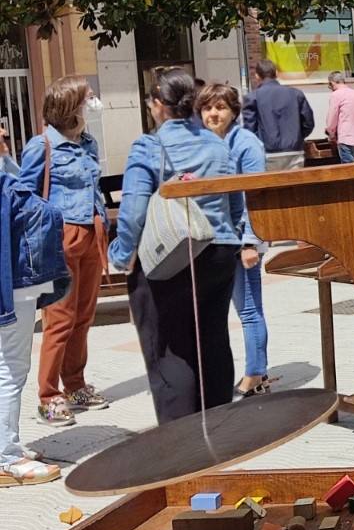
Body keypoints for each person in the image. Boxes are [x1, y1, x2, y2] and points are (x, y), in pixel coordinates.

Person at [109, 70, 246, 422]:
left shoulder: (150, 145)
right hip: (219, 252)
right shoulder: (218, 144)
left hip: (172, 255)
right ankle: (220, 427)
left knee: (170, 348)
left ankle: (181, 441)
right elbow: (235, 203)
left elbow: (134, 209)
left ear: (158, 105)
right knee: (213, 340)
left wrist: (122, 255)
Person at [17, 78, 109, 427]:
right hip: (60, 239)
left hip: (91, 234)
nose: (93, 103)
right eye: (88, 98)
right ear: (71, 106)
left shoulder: (87, 143)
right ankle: (48, 395)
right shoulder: (42, 146)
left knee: (83, 317)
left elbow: (93, 187)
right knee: (59, 320)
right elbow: (25, 197)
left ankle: (75, 384)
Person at [0, 124, 68, 485]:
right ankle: (7, 458)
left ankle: (6, 446)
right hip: (11, 287)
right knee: (10, 371)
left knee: (8, 370)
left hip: (13, 285)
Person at [196, 83, 271, 397]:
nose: (213, 114)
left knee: (249, 309)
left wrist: (250, 243)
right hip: (217, 241)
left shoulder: (246, 143)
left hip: (243, 240)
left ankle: (256, 374)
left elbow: (255, 194)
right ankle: (254, 372)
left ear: (234, 111)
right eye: (208, 108)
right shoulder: (208, 143)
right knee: (232, 310)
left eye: (220, 107)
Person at [242, 60, 314, 171]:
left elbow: (249, 129)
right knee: (295, 185)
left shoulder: (252, 97)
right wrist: (298, 136)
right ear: (276, 73)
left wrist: (260, 141)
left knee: (271, 187)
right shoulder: (296, 94)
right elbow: (308, 123)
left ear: (257, 76)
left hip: (267, 152)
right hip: (294, 150)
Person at [325, 71, 354, 163]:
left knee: (349, 171)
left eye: (330, 85)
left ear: (332, 83)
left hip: (346, 138)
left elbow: (332, 119)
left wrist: (331, 133)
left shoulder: (336, 95)